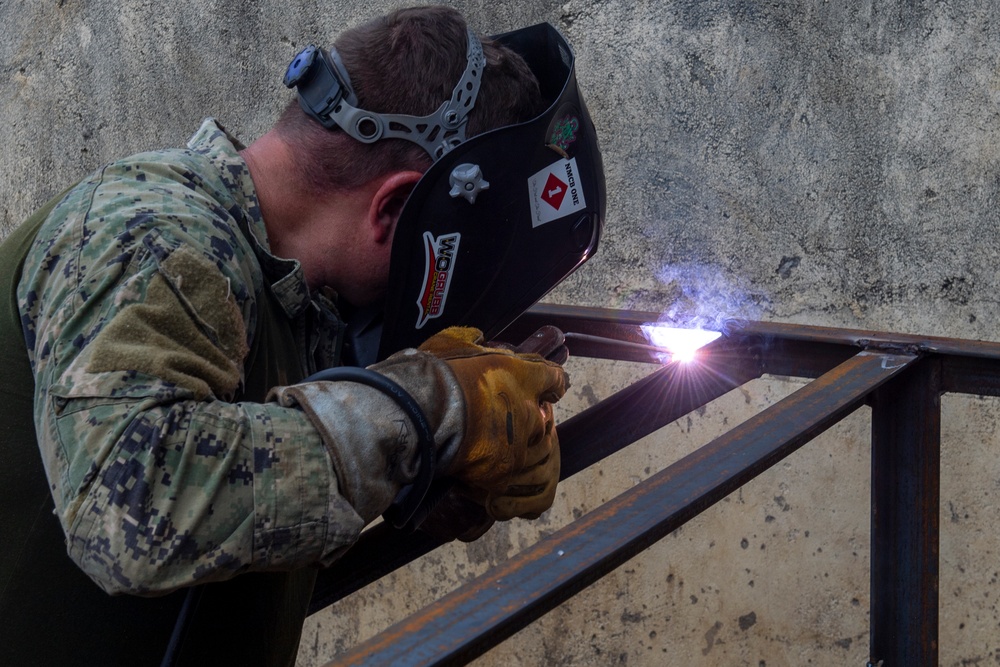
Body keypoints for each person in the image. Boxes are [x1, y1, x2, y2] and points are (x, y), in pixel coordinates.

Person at [0, 5, 604, 666]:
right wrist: (426, 409)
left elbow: (246, 487)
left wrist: (421, 475)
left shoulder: (292, 301)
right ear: (396, 207)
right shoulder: (149, 233)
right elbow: (132, 507)